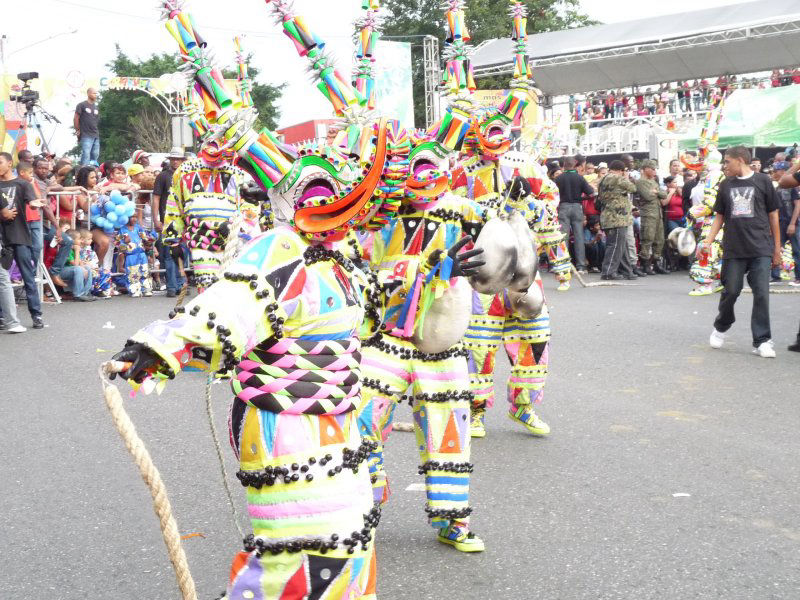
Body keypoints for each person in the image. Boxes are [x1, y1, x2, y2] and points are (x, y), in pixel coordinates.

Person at [702, 146, 781, 358]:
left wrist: (776, 248)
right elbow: (719, 216)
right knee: (731, 292)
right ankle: (721, 325)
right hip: (734, 248)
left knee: (762, 294)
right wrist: (708, 241)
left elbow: (773, 215)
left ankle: (762, 340)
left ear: (740, 160)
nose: (724, 166)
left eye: (727, 162)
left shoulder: (763, 181)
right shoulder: (725, 184)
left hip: (760, 247)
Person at [0, 153, 43, 328]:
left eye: (0, 162)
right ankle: (3, 317)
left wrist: (35, 203)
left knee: (28, 276)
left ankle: (36, 315)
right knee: (2, 279)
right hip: (2, 239)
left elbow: (33, 201)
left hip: (19, 235)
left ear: (10, 164)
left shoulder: (23, 183)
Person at [152, 148, 186, 297]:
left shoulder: (187, 175)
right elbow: (156, 198)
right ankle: (172, 286)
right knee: (169, 254)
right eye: (173, 158)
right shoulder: (163, 176)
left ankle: (179, 284)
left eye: (178, 159)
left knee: (182, 252)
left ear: (183, 160)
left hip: (184, 219)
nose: (175, 161)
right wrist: (156, 219)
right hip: (168, 219)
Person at [597, 160, 637, 280]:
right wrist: (626, 177)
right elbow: (633, 188)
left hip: (608, 216)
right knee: (615, 246)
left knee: (621, 246)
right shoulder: (617, 178)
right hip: (617, 217)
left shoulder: (603, 179)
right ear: (621, 170)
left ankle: (626, 271)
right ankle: (608, 272)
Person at [554, 156, 595, 273]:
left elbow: (553, 194)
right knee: (579, 237)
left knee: (563, 237)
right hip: (577, 207)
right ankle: (581, 266)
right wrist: (582, 198)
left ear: (564, 165)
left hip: (563, 207)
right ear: (575, 164)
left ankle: (563, 266)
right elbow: (591, 194)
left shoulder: (559, 178)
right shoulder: (580, 178)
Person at [636, 160, 669, 274]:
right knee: (647, 238)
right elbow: (648, 196)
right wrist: (656, 192)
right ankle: (645, 264)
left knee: (659, 239)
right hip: (648, 213)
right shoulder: (641, 182)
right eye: (653, 169)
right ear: (646, 169)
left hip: (658, 213)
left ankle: (656, 263)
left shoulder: (654, 181)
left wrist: (656, 192)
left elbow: (664, 194)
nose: (655, 171)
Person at [770, 161, 800, 283]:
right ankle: (776, 276)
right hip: (780, 222)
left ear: (782, 171)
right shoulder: (776, 187)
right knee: (776, 247)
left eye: (775, 171)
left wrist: (792, 223)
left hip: (792, 222)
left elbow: (798, 205)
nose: (773, 173)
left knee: (797, 250)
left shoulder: (793, 187)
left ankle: (798, 277)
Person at [117, 213, 153, 298]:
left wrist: (150, 240)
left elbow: (145, 239)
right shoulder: (122, 230)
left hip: (141, 254)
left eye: (136, 217)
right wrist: (125, 243)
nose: (134, 219)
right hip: (131, 256)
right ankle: (135, 290)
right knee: (133, 273)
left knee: (145, 271)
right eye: (132, 217)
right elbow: (118, 245)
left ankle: (146, 289)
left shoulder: (138, 228)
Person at [59, 229, 95, 301]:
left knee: (87, 267)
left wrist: (83, 268)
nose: (80, 241)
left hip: (72, 269)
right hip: (61, 271)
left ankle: (86, 293)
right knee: (78, 269)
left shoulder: (75, 248)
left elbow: (80, 262)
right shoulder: (67, 249)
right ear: (71, 240)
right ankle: (78, 294)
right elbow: (75, 264)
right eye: (79, 239)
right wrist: (77, 251)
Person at [74, 88, 100, 166]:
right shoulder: (81, 105)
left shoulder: (96, 107)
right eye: (94, 93)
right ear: (88, 94)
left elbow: (96, 120)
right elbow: (76, 118)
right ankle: (84, 170)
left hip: (95, 133)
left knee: (95, 154)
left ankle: (93, 170)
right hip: (86, 134)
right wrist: (77, 129)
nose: (95, 95)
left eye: (96, 93)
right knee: (86, 153)